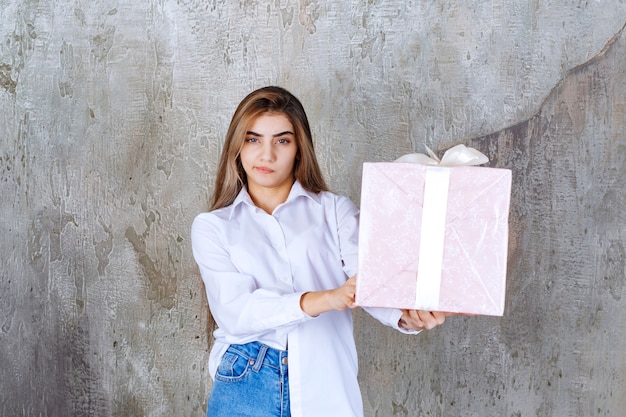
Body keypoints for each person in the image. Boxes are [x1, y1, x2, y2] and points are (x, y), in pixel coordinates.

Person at [191, 86, 448, 417]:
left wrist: (406, 313)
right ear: (236, 147)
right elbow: (236, 311)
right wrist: (329, 298)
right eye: (253, 139)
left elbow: (370, 279)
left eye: (281, 140)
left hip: (323, 379)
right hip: (246, 379)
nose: (266, 155)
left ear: (299, 149)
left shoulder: (334, 211)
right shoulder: (213, 226)